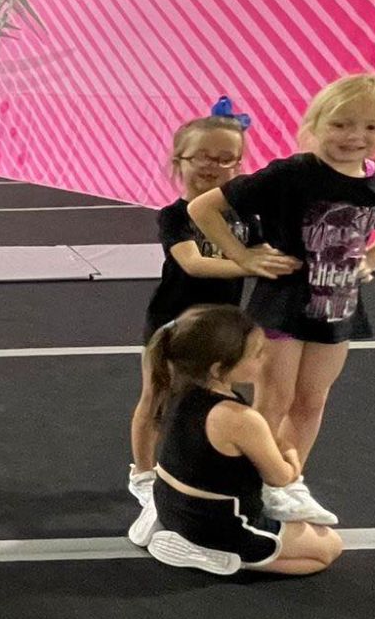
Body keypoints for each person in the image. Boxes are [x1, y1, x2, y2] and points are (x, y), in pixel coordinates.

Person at [188, 74, 375, 526]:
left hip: (339, 305)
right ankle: (253, 479)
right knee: (273, 398)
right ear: (317, 122)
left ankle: (289, 480)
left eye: (372, 128)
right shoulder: (291, 174)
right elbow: (203, 208)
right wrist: (243, 256)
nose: (355, 137)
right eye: (341, 124)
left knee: (311, 400)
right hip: (283, 302)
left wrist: (371, 256)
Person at [127, 102, 297, 547]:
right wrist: (250, 264)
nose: (214, 166)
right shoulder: (175, 216)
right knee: (157, 398)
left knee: (206, 406)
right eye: (202, 156)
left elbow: (274, 247)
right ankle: (144, 475)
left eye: (227, 159)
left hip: (223, 332)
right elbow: (194, 263)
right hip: (172, 325)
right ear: (179, 159)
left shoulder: (246, 217)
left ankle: (188, 480)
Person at [143, 306, 344, 576]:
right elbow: (280, 477)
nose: (265, 359)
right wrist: (291, 454)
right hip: (219, 524)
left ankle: (194, 538)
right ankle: (216, 553)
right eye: (256, 355)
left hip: (168, 505)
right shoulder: (240, 418)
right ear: (218, 367)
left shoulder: (178, 388)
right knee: (329, 548)